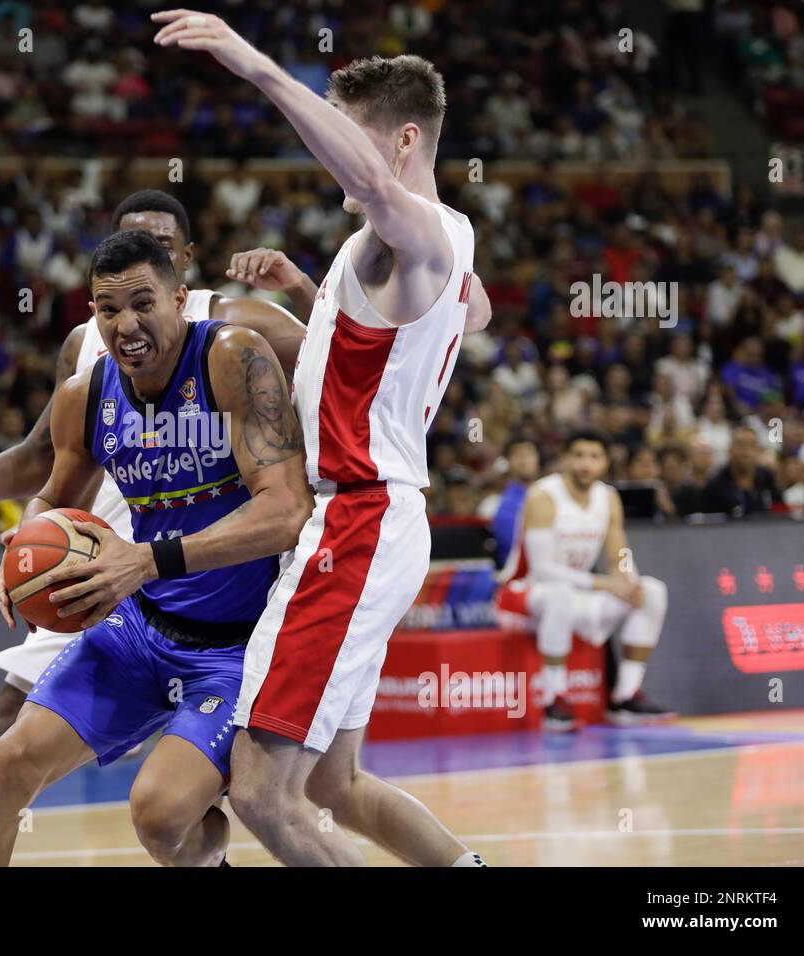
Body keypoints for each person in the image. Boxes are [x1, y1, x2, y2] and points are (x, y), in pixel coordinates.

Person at [0, 189, 312, 866]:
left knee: (161, 816)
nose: (127, 323)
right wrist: (22, 551)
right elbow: (49, 492)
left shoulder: (235, 353)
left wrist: (146, 559)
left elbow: (285, 512)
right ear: (92, 315)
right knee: (10, 756)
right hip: (137, 626)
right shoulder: (86, 393)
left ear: (180, 296)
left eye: (143, 303)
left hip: (237, 648)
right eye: (110, 309)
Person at [154, 12, 490, 866]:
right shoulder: (418, 250)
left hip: (357, 521)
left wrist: (254, 65)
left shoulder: (414, 228)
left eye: (354, 133)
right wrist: (316, 293)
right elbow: (459, 317)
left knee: (263, 791)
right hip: (379, 518)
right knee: (337, 785)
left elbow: (384, 195)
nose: (332, 154)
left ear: (403, 139)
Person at [496, 431, 675, 731]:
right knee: (559, 594)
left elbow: (619, 553)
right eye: (578, 455)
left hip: (575, 593)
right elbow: (542, 570)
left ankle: (625, 696)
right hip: (522, 594)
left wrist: (630, 581)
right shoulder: (543, 496)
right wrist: (607, 584)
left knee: (653, 591)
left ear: (605, 463)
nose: (585, 464)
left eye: (594, 457)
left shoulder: (608, 497)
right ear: (565, 459)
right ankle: (554, 701)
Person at [490, 436, 540, 565]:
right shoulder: (504, 505)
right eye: (518, 455)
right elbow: (513, 550)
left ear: (537, 460)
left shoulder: (547, 493)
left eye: (529, 454)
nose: (524, 461)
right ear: (508, 462)